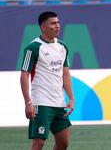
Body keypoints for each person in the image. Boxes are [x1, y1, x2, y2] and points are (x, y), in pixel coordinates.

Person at [20, 11, 74, 150]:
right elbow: (24, 75)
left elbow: (65, 74)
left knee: (63, 143)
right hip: (41, 103)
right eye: (53, 23)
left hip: (59, 103)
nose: (58, 26)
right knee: (39, 143)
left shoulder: (63, 47)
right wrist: (28, 102)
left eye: (58, 22)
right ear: (43, 27)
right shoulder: (33, 48)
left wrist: (71, 98)